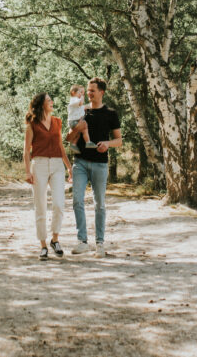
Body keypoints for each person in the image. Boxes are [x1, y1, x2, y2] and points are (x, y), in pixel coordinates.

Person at [66, 77, 121, 257]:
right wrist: (76, 129)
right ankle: (82, 241)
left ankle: (99, 243)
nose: (88, 93)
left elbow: (119, 140)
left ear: (101, 92)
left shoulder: (111, 114)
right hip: (80, 161)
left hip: (100, 163)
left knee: (100, 204)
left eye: (92, 91)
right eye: (88, 90)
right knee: (77, 200)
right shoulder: (81, 110)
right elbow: (68, 138)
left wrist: (107, 143)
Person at [23, 93, 73, 260]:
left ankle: (55, 239)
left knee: (59, 204)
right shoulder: (32, 124)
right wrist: (28, 171)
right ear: (42, 104)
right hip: (40, 165)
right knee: (41, 206)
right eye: (49, 100)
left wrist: (69, 167)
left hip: (58, 165)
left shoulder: (57, 122)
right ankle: (43, 245)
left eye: (52, 99)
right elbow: (26, 150)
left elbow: (60, 146)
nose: (52, 102)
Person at [66, 84, 95, 153]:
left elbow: (84, 107)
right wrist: (82, 97)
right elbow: (81, 103)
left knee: (78, 134)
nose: (82, 94)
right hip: (74, 121)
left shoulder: (77, 102)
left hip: (76, 121)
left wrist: (91, 105)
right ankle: (88, 142)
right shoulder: (73, 100)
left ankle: (73, 144)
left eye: (83, 93)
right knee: (84, 127)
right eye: (80, 92)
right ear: (73, 92)